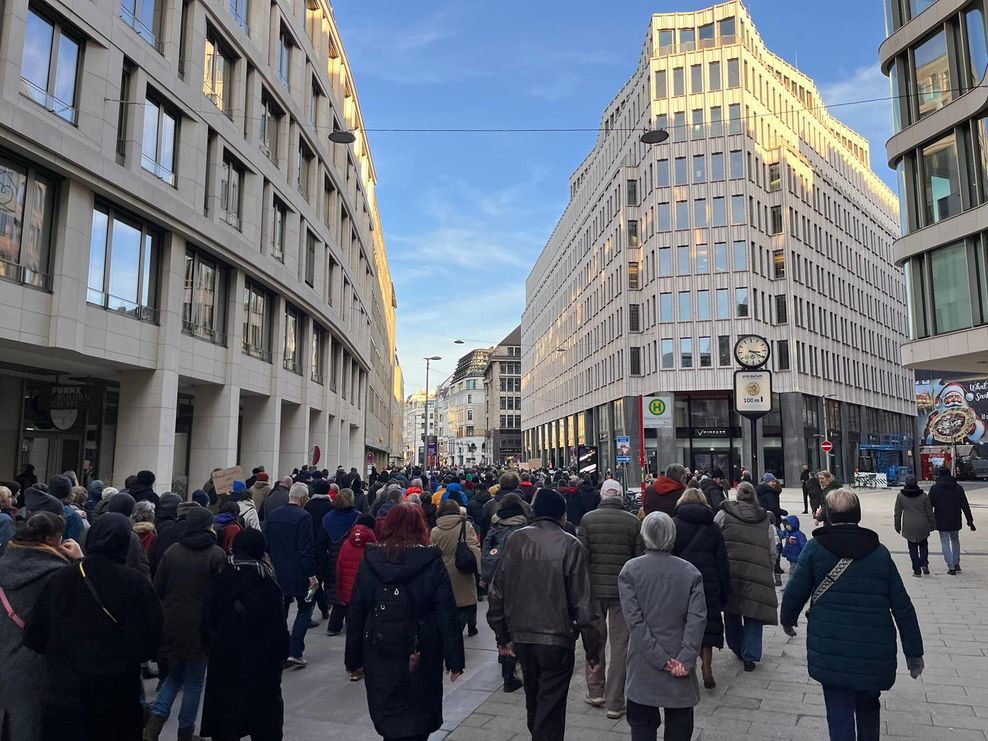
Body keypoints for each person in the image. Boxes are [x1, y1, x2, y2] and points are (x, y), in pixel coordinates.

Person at [781, 489, 924, 740]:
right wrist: (914, 653)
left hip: (830, 646)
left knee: (838, 709)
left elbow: (795, 591)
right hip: (873, 648)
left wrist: (787, 619)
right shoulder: (879, 553)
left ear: (829, 516)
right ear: (857, 514)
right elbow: (903, 607)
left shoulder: (815, 549)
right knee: (869, 706)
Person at [24, 513, 163, 740]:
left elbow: (35, 636)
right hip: (116, 697)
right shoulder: (136, 584)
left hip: (64, 696)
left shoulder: (60, 579)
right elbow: (150, 643)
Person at [487, 488, 602, 741]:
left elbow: (497, 591)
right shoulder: (571, 545)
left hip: (523, 637)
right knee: (550, 707)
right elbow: (585, 606)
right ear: (562, 515)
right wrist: (594, 651)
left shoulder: (517, 540)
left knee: (534, 701)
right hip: (557, 640)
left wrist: (502, 635)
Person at [345, 503, 465, 740]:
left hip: (380, 645)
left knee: (388, 705)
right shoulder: (430, 560)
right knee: (418, 707)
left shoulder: (371, 560)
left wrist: (353, 658)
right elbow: (446, 612)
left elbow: (357, 609)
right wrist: (455, 660)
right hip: (421, 645)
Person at [619, 512, 706, 741]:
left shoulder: (630, 570)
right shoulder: (690, 572)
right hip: (680, 664)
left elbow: (635, 622)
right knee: (679, 726)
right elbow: (697, 619)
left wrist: (660, 659)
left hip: (644, 663)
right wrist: (685, 658)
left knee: (642, 728)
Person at [200, 530, 290, 741]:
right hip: (261, 664)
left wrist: (213, 647)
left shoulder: (221, 577)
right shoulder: (266, 581)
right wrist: (281, 655)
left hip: (224, 662)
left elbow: (206, 621)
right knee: (265, 723)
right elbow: (278, 627)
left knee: (226, 723)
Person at [146, 507, 227, 741]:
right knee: (194, 681)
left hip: (172, 622)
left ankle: (153, 728)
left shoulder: (172, 551)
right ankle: (185, 732)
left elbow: (157, 587)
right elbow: (219, 596)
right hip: (201, 626)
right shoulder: (216, 554)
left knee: (174, 676)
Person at [0, 512, 81, 740]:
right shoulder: (59, 574)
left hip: (3, 658)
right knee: (31, 726)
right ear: (50, 539)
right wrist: (79, 561)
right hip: (37, 666)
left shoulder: (3, 564)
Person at [577, 477, 643, 719]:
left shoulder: (588, 520)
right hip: (622, 591)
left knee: (595, 640)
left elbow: (581, 557)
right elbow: (638, 559)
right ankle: (616, 701)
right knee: (620, 646)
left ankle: (596, 691)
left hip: (594, 590)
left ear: (603, 496)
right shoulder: (632, 521)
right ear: (621, 496)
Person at [714, 481, 778, 672]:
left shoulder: (724, 514)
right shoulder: (764, 518)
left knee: (732, 611)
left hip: (732, 570)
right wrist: (769, 567)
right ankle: (750, 655)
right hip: (757, 571)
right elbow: (772, 547)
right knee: (754, 613)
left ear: (738, 495)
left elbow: (715, 538)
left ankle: (737, 647)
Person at [672, 488, 731, 690]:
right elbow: (722, 561)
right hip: (708, 581)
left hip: (680, 582)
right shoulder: (713, 527)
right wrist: (725, 589)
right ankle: (707, 668)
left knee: (681, 624)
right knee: (707, 625)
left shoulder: (674, 524)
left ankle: (683, 665)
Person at [266, 482, 317, 666]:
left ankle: (280, 649)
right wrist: (312, 576)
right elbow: (306, 549)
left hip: (278, 572)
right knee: (305, 608)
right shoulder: (304, 517)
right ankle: (295, 650)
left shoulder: (274, 515)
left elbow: (268, 543)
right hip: (299, 573)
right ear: (303, 499)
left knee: (282, 611)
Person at [335, 513, 377, 680]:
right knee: (370, 631)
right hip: (368, 594)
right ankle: (369, 663)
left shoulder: (346, 544)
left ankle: (352, 667)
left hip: (350, 594)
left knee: (353, 631)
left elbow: (339, 571)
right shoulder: (373, 546)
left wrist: (340, 593)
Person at [430, 499, 482, 636]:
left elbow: (431, 553)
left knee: (446, 605)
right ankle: (459, 630)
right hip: (462, 569)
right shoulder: (466, 526)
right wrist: (480, 571)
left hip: (442, 571)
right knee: (465, 604)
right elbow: (474, 548)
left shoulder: (435, 531)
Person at [322, 487, 361, 634]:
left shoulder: (327, 518)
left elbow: (321, 542)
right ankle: (351, 624)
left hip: (333, 557)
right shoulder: (357, 517)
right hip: (353, 558)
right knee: (352, 589)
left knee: (337, 589)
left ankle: (334, 625)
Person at [929, 466, 976, 575]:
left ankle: (951, 566)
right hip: (955, 518)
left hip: (941, 519)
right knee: (955, 540)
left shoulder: (935, 488)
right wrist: (970, 521)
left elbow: (929, 505)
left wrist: (929, 521)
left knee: (944, 541)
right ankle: (956, 562)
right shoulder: (958, 488)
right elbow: (965, 505)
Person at [892, 475, 935, 577]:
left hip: (909, 525)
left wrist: (897, 525)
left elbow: (897, 512)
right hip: (922, 523)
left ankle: (917, 570)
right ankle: (924, 563)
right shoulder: (924, 496)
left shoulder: (901, 496)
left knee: (912, 548)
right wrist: (933, 524)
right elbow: (929, 512)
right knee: (924, 545)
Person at [305, 478, 336, 620]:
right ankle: (324, 606)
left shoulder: (308, 505)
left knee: (313, 583)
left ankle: (310, 608)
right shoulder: (331, 507)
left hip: (309, 548)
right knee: (325, 580)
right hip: (326, 550)